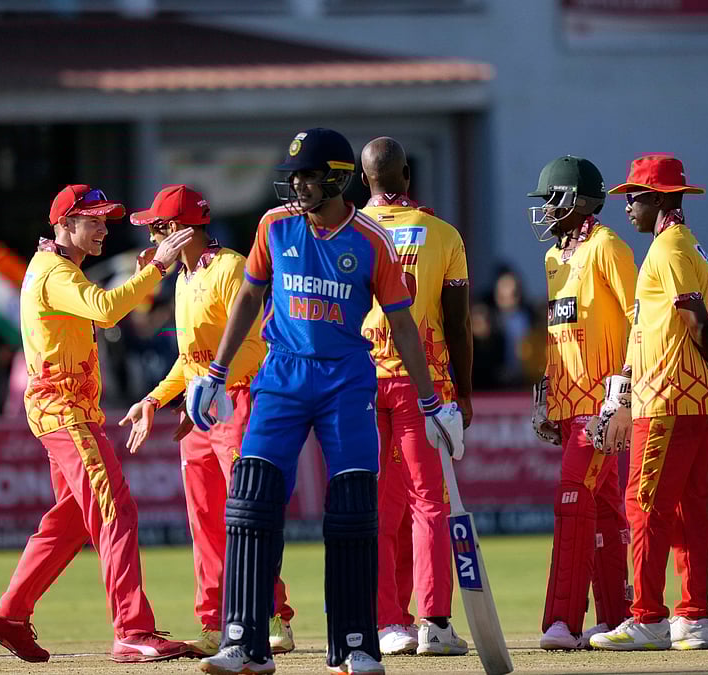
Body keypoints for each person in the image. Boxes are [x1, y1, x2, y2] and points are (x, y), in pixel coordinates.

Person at [188, 128, 463, 675]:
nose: (299, 186)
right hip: (282, 377)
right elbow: (249, 295)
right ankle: (244, 642)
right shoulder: (275, 225)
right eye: (294, 176)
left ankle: (356, 645)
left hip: (346, 382)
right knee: (251, 499)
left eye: (310, 176)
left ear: (338, 178)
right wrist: (215, 373)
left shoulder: (370, 241)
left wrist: (434, 403)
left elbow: (404, 327)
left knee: (355, 508)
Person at [0, 185, 194, 664]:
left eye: (104, 220)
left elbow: (108, 306)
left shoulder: (57, 268)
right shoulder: (54, 271)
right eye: (92, 220)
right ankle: (132, 631)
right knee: (116, 509)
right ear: (64, 224)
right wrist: (157, 266)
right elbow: (105, 309)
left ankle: (10, 613)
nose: (102, 229)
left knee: (73, 521)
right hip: (64, 412)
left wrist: (145, 274)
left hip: (65, 410)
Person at [119, 185, 296, 657]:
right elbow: (188, 358)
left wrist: (213, 385)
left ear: (178, 231)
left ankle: (272, 614)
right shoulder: (181, 279)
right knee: (205, 522)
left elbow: (256, 344)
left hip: (241, 400)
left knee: (247, 515)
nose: (152, 239)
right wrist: (156, 400)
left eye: (157, 229)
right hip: (200, 412)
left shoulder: (230, 268)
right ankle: (216, 623)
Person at [588, 155, 708, 652]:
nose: (628, 207)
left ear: (658, 198)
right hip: (693, 399)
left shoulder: (669, 247)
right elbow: (705, 321)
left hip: (669, 399)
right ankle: (693, 617)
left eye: (633, 197)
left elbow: (699, 319)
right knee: (690, 509)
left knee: (644, 504)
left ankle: (649, 616)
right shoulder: (690, 247)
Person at [356, 137, 470, 657]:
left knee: (377, 509)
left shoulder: (347, 232)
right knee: (429, 504)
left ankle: (387, 624)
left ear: (364, 180)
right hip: (423, 385)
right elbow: (458, 321)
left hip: (359, 382)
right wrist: (464, 395)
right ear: (406, 175)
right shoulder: (443, 234)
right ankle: (435, 624)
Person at [526, 156, 634, 650]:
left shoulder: (608, 246)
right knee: (605, 508)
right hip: (570, 403)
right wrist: (548, 393)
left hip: (602, 402)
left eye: (554, 198)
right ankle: (618, 618)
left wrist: (625, 389)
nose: (547, 209)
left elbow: (641, 320)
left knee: (571, 495)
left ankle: (562, 621)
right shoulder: (555, 257)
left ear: (583, 201)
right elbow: (560, 332)